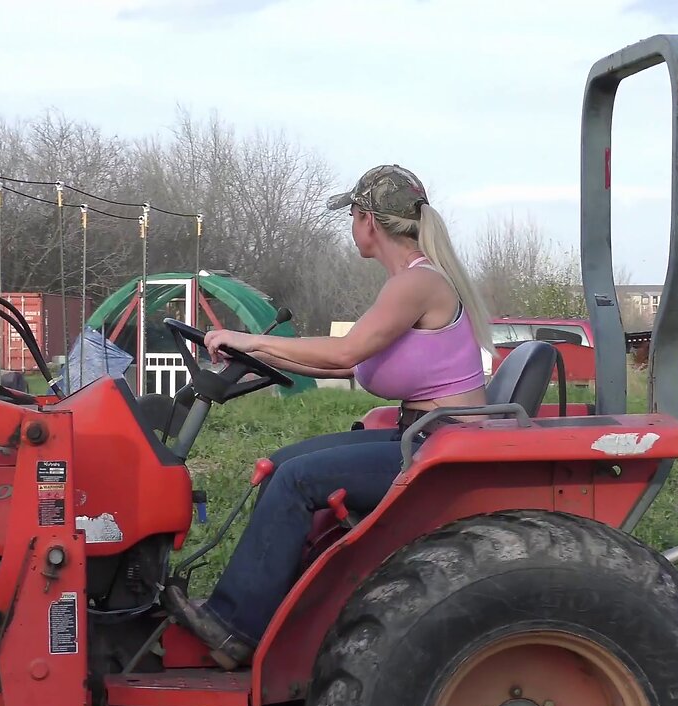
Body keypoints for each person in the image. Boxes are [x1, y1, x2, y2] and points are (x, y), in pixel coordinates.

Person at [160, 164, 494, 670]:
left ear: (367, 221)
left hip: (440, 446)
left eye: (352, 216)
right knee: (283, 463)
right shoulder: (411, 281)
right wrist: (261, 355)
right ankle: (264, 611)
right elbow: (350, 359)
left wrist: (250, 339)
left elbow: (342, 355)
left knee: (296, 480)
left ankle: (233, 631)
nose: (352, 227)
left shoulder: (417, 283)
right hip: (421, 435)